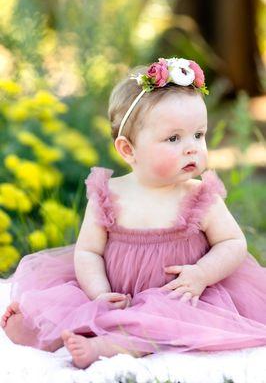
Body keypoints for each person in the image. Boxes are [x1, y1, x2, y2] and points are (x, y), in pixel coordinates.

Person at [1, 57, 266, 370]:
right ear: (128, 150)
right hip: (116, 292)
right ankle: (51, 331)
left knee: (163, 322)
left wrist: (201, 274)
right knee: (83, 309)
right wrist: (99, 293)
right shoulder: (108, 195)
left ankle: (104, 345)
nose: (192, 147)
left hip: (176, 296)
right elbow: (88, 251)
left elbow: (233, 243)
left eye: (199, 135)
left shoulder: (199, 197)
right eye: (173, 138)